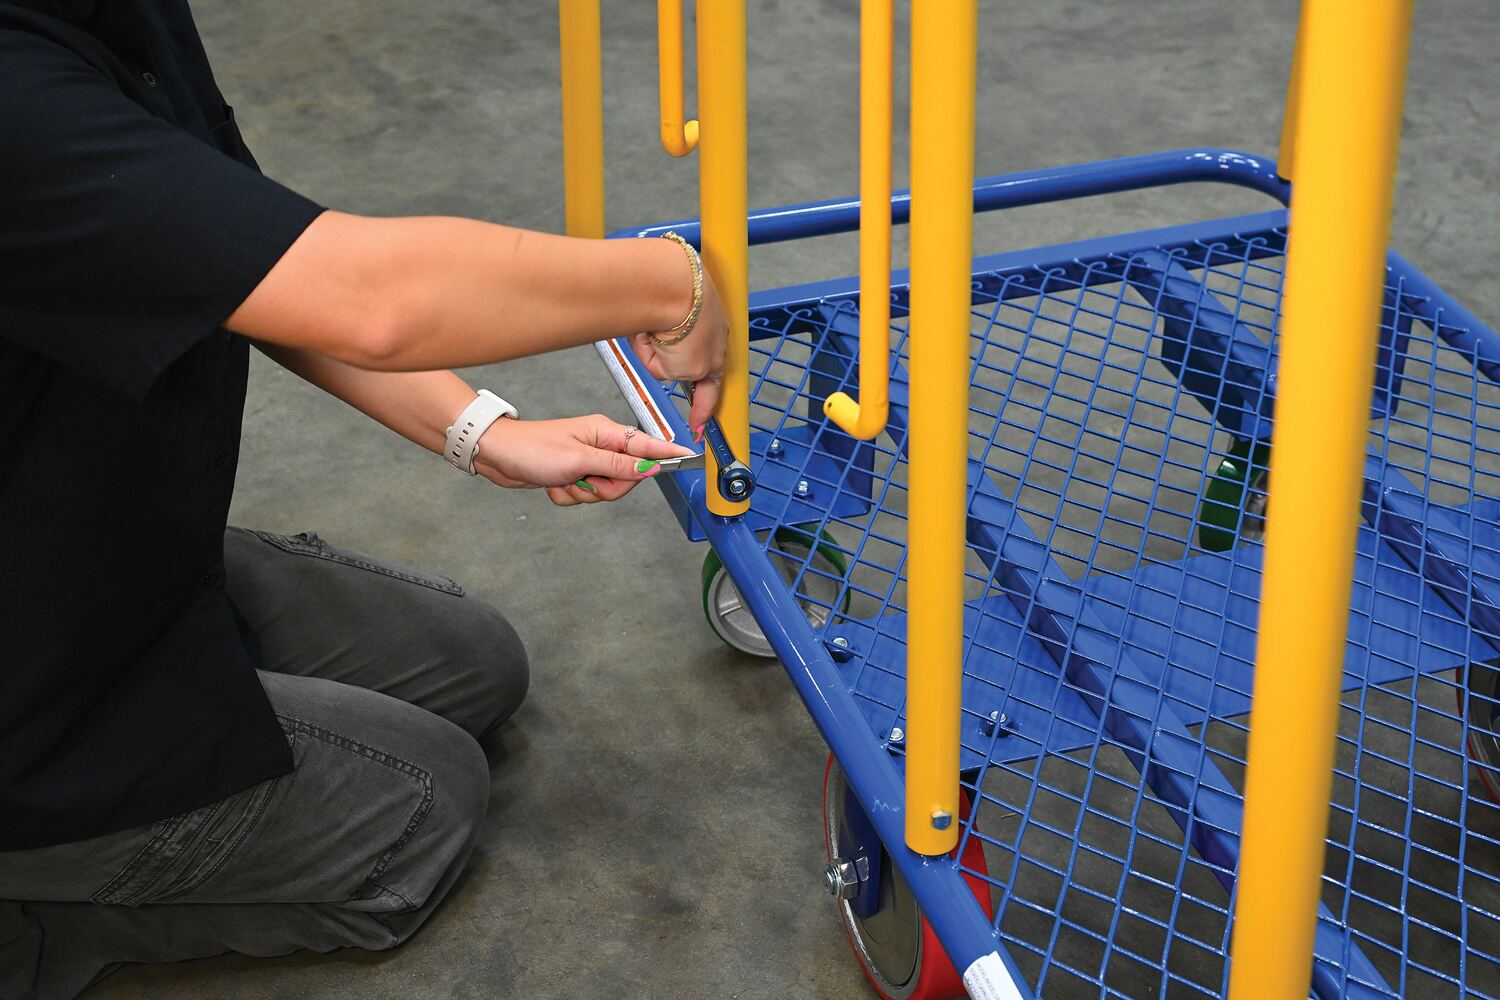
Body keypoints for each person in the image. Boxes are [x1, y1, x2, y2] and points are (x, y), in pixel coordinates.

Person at [0, 1, 727, 997]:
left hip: (89, 547)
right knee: (423, 815)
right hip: (29, 692)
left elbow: (252, 267)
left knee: (476, 668)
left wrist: (484, 433)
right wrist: (666, 281)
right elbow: (365, 298)